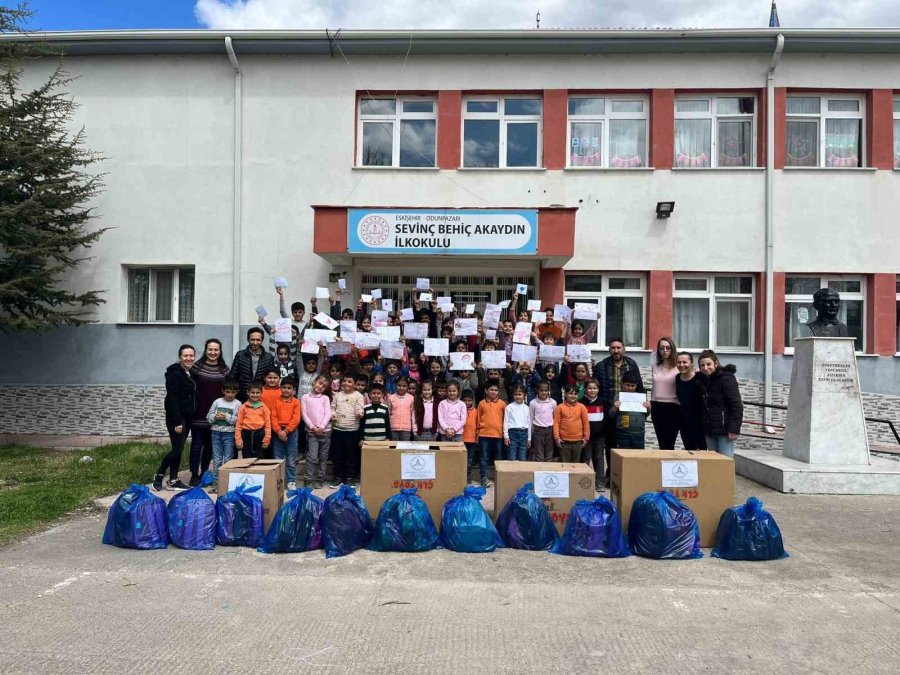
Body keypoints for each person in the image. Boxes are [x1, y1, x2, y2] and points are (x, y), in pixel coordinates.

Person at [594, 338, 644, 483]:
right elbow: (597, 388)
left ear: (624, 349)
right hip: (610, 409)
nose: (616, 350)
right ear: (609, 349)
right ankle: (611, 473)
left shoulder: (632, 364)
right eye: (613, 348)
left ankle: (628, 474)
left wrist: (642, 404)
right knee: (610, 443)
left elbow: (639, 385)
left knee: (627, 441)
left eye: (619, 348)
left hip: (628, 410)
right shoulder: (602, 366)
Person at [153, 344, 197, 492]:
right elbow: (172, 398)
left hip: (187, 416)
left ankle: (173, 480)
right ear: (180, 357)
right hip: (177, 418)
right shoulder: (175, 373)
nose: (189, 358)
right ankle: (159, 475)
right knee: (177, 450)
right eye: (186, 356)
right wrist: (177, 421)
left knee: (178, 448)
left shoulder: (188, 373)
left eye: (191, 356)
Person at [188, 338, 230, 486]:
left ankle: (205, 472)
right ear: (205, 350)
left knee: (209, 446)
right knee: (196, 445)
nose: (213, 352)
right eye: (210, 349)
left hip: (216, 415)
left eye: (216, 350)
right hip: (198, 413)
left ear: (220, 351)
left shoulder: (224, 369)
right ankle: (194, 474)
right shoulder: (196, 368)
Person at [697, 350, 743, 457]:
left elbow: (736, 405)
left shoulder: (726, 378)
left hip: (725, 430)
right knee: (714, 462)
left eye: (709, 364)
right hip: (709, 429)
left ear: (716, 363)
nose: (705, 368)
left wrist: (734, 428)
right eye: (702, 365)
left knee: (725, 460)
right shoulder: (703, 380)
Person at [330, 374, 365, 487]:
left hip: (352, 430)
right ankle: (338, 477)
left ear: (355, 384)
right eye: (344, 381)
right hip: (338, 429)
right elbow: (332, 407)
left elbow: (360, 408)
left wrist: (360, 413)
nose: (346, 383)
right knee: (337, 455)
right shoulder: (337, 395)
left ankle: (350, 478)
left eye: (349, 381)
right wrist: (333, 414)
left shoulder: (358, 395)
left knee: (351, 455)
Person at [205, 380, 241, 486]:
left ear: (237, 392)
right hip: (215, 433)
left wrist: (227, 416)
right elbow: (208, 417)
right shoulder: (217, 402)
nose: (230, 394)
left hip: (229, 434)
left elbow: (238, 420)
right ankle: (216, 482)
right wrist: (215, 417)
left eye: (233, 392)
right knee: (217, 459)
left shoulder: (238, 403)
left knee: (228, 458)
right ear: (223, 391)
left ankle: (227, 482)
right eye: (228, 392)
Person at [649, 336, 681, 450]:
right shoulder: (655, 366)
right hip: (657, 407)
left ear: (672, 349)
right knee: (661, 443)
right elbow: (654, 386)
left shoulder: (679, 367)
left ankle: (669, 465)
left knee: (670, 443)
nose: (665, 351)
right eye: (662, 348)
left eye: (668, 348)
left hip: (673, 407)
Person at [229, 327, 275, 402]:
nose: (255, 342)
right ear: (248, 340)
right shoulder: (240, 355)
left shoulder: (268, 357)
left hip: (261, 395)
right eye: (252, 339)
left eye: (258, 340)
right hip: (242, 395)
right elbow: (233, 375)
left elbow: (270, 378)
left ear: (262, 340)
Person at [301, 375, 332, 489]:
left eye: (323, 386)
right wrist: (313, 428)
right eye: (319, 383)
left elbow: (328, 413)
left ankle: (320, 479)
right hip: (312, 432)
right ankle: (308, 479)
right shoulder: (305, 397)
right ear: (314, 382)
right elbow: (304, 414)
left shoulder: (325, 398)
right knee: (312, 457)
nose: (320, 387)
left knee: (323, 457)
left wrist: (322, 427)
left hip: (325, 431)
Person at [270, 379, 301, 489]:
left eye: (289, 388)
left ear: (293, 390)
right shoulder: (276, 401)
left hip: (291, 432)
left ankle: (291, 481)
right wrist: (279, 431)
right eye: (284, 387)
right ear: (280, 388)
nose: (286, 390)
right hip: (277, 432)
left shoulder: (296, 402)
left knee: (291, 458)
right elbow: (273, 417)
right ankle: (279, 479)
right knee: (278, 458)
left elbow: (296, 419)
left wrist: (286, 431)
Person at [476, 382, 506, 488]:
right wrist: (477, 433)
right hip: (484, 434)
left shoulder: (502, 404)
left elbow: (505, 420)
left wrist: (505, 434)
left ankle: (500, 477)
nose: (493, 392)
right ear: (486, 391)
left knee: (498, 457)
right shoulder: (481, 403)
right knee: (484, 457)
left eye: (496, 390)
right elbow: (478, 419)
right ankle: (484, 478)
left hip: (498, 435)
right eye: (491, 390)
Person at [675, 352, 707, 450]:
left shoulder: (701, 377)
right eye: (679, 362)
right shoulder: (677, 378)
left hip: (701, 424)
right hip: (685, 424)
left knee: (703, 454)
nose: (682, 365)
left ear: (692, 364)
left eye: (685, 362)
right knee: (690, 452)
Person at [235, 381, 272, 459]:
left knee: (259, 459)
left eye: (257, 393)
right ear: (248, 392)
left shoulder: (264, 408)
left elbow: (268, 425)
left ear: (261, 393)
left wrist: (267, 439)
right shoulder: (243, 407)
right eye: (252, 392)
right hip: (245, 435)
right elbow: (238, 424)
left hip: (260, 435)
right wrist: (238, 439)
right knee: (246, 458)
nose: (255, 395)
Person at [613, 371, 650, 449]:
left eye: (633, 386)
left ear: (636, 385)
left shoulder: (641, 398)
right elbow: (611, 414)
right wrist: (614, 408)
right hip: (622, 432)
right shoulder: (618, 397)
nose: (630, 388)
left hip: (639, 432)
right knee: (623, 456)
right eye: (627, 385)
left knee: (638, 457)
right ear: (622, 384)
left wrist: (648, 407)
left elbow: (646, 414)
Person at [553, 385, 589, 463]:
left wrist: (586, 437)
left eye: (575, 394)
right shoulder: (560, 407)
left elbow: (586, 423)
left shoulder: (582, 407)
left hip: (578, 441)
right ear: (565, 394)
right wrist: (557, 438)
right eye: (570, 393)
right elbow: (556, 423)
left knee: (575, 465)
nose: (573, 396)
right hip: (564, 442)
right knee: (564, 464)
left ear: (578, 395)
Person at [580, 378, 605, 490]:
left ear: (598, 389)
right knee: (586, 458)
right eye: (589, 388)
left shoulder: (602, 402)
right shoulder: (580, 403)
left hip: (599, 436)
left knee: (599, 459)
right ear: (585, 389)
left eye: (594, 388)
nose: (592, 390)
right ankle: (585, 481)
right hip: (586, 437)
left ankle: (599, 482)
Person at [528, 381, 557, 462]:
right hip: (538, 430)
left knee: (549, 454)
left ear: (549, 391)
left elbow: (555, 418)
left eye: (546, 390)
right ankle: (540, 472)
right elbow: (531, 418)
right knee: (539, 454)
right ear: (537, 390)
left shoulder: (553, 402)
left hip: (550, 430)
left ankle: (548, 473)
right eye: (541, 390)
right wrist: (530, 434)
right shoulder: (533, 403)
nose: (544, 392)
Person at [503, 386, 531, 461]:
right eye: (515, 395)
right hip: (512, 433)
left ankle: (521, 472)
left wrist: (529, 438)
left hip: (524, 433)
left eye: (519, 394)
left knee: (522, 455)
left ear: (524, 395)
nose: (517, 397)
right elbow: (506, 421)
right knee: (512, 455)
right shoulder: (509, 407)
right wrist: (506, 436)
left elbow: (529, 423)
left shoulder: (527, 408)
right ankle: (512, 472)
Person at [387, 377, 415, 441]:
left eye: (404, 386)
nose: (401, 388)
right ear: (396, 385)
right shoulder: (391, 398)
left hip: (406, 429)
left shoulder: (411, 398)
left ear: (408, 386)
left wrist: (413, 428)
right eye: (399, 385)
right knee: (394, 448)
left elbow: (413, 414)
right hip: (393, 428)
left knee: (404, 448)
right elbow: (388, 413)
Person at [461, 389, 479, 482]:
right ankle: (461, 477)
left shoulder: (476, 411)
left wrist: (477, 435)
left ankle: (468, 477)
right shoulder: (459, 409)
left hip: (471, 440)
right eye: (465, 400)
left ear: (472, 400)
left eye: (469, 400)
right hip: (461, 439)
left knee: (470, 460)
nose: (467, 402)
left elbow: (478, 424)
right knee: (461, 459)